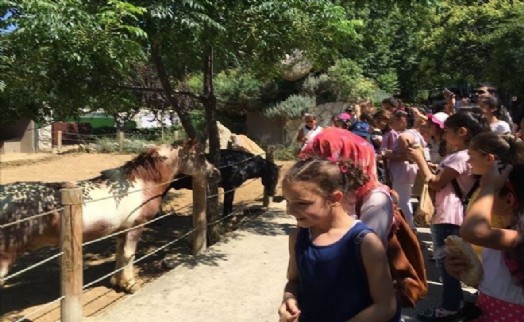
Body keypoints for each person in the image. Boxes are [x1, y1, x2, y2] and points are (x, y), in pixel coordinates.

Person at [278, 157, 399, 322]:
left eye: (302, 203)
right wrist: (289, 300)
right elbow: (294, 281)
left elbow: (386, 306)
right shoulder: (299, 237)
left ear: (334, 198)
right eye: (288, 201)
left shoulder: (364, 242)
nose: (290, 211)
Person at [407, 110, 489, 321]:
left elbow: (436, 182)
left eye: (448, 131)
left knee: (448, 268)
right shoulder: (464, 155)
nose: (443, 135)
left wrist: (419, 160)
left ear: (462, 132)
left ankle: (449, 308)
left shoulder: (462, 156)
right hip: (452, 215)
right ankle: (457, 304)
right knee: (453, 265)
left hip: (449, 217)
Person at [446, 162, 524, 321]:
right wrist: (462, 270)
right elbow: (498, 285)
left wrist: (488, 188)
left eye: (487, 194)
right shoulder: (501, 237)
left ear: (509, 200)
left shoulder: (517, 238)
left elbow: (473, 232)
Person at [381, 108, 424, 229]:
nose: (390, 124)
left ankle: (410, 228)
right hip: (404, 171)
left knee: (403, 201)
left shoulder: (404, 136)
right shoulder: (414, 133)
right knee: (403, 199)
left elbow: (409, 156)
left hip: (402, 172)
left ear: (401, 120)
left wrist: (389, 155)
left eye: (392, 121)